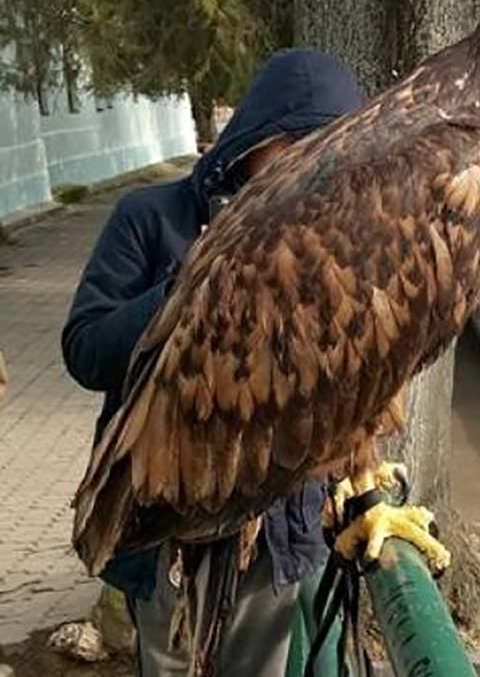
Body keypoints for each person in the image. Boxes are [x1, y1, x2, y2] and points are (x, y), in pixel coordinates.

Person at [62, 48, 363, 676]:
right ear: (255, 138)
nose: (313, 169)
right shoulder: (150, 218)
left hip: (273, 532)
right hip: (159, 525)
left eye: (332, 153)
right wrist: (192, 284)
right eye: (297, 146)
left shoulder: (331, 249)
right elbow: (86, 352)